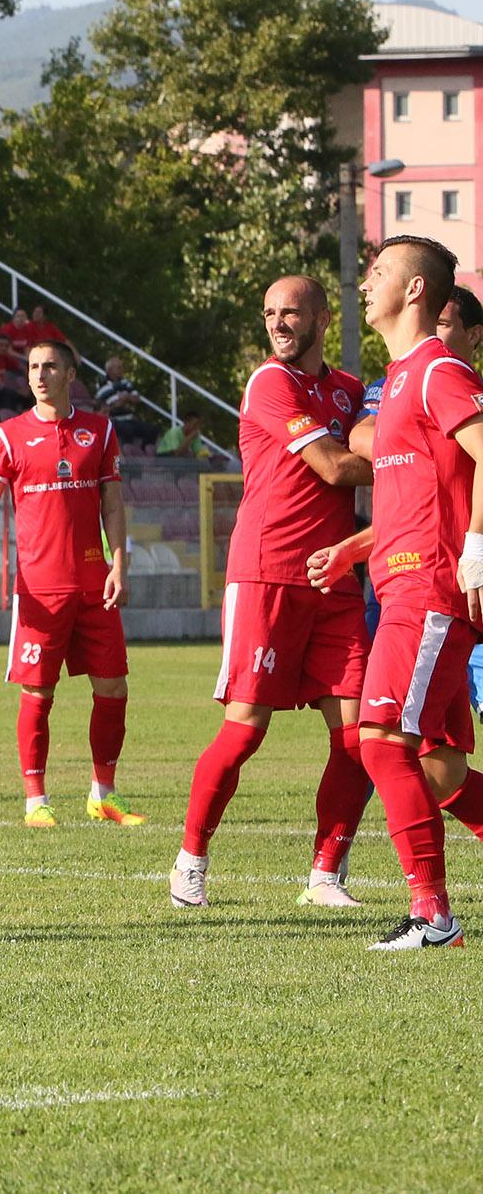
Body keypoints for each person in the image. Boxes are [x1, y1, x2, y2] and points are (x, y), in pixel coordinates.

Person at [168, 276, 371, 910]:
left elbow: (365, 449)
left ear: (322, 317)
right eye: (269, 314)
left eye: (290, 312)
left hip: (335, 577)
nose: (278, 323)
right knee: (245, 729)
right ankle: (191, 858)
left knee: (359, 736)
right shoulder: (268, 383)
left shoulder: (350, 391)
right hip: (267, 572)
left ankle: (325, 874)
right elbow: (337, 467)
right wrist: (410, 461)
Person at [307, 238, 483, 949]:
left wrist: (475, 545)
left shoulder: (438, 368)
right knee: (437, 767)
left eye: (378, 272)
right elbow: (422, 497)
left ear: (414, 291)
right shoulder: (402, 376)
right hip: (405, 581)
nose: (363, 282)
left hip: (430, 589)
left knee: (379, 741)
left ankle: (432, 915)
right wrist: (356, 544)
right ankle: (430, 912)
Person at [0, 340, 139, 828]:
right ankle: (35, 800)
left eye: (50, 367)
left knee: (113, 688)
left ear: (71, 372)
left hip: (94, 584)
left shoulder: (100, 431)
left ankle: (103, 794)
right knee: (38, 694)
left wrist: (119, 563)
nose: (40, 375)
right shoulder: (7, 435)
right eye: (33, 368)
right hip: (40, 590)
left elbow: (112, 504)